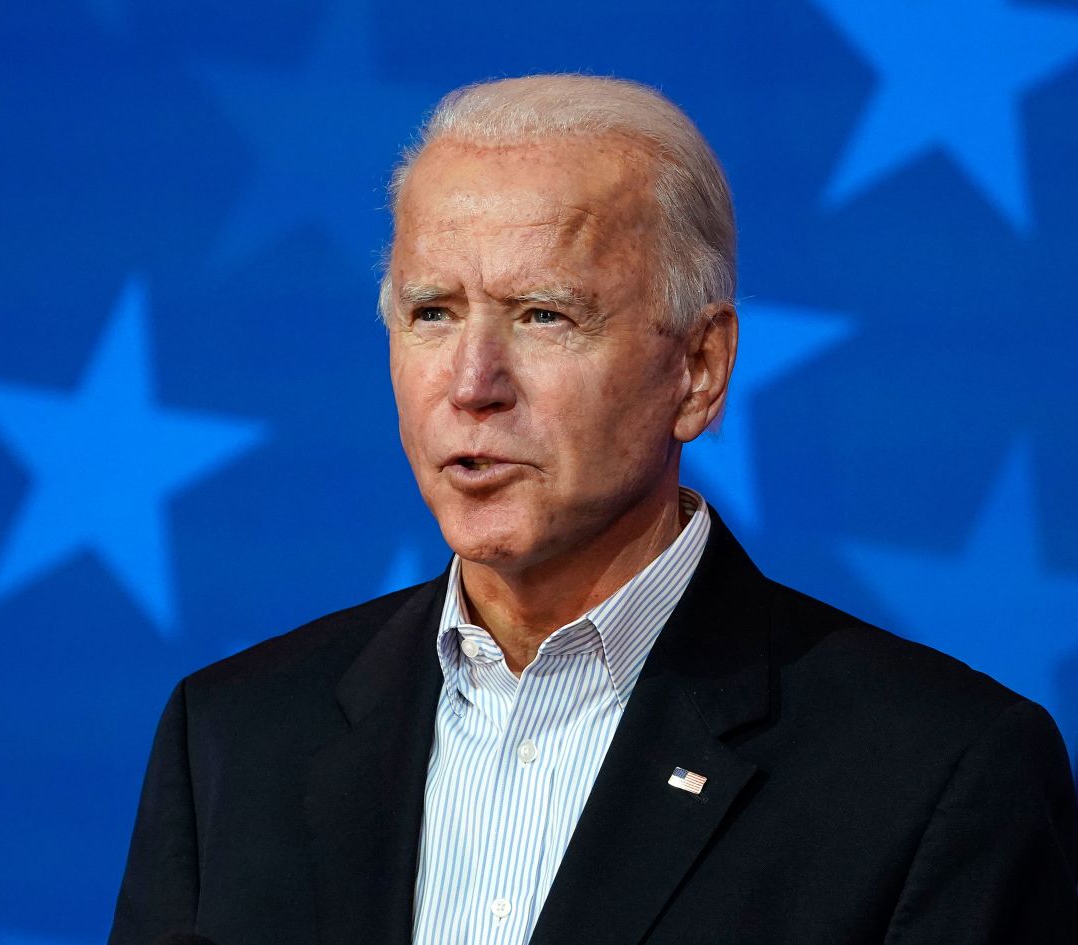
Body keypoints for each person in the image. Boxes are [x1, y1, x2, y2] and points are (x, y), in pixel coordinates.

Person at [108, 75, 1078, 945]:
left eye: (543, 315)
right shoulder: (234, 738)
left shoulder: (936, 773)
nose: (472, 384)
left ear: (696, 371)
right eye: (431, 313)